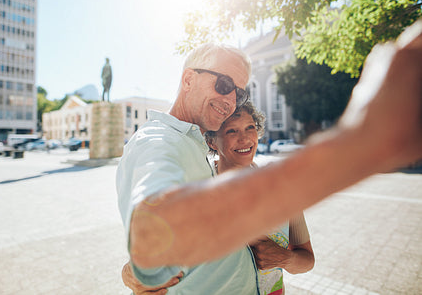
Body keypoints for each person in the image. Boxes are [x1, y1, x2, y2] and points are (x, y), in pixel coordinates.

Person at [118, 20, 422, 290]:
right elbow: (150, 232)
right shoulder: (157, 141)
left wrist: (142, 272)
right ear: (187, 80)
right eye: (224, 85)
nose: (230, 101)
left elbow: (156, 257)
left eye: (239, 93)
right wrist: (358, 144)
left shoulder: (194, 145)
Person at [122, 102, 315, 294]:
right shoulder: (196, 188)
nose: (245, 138)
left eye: (250, 128)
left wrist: (285, 259)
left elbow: (307, 260)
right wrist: (130, 274)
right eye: (232, 131)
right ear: (212, 142)